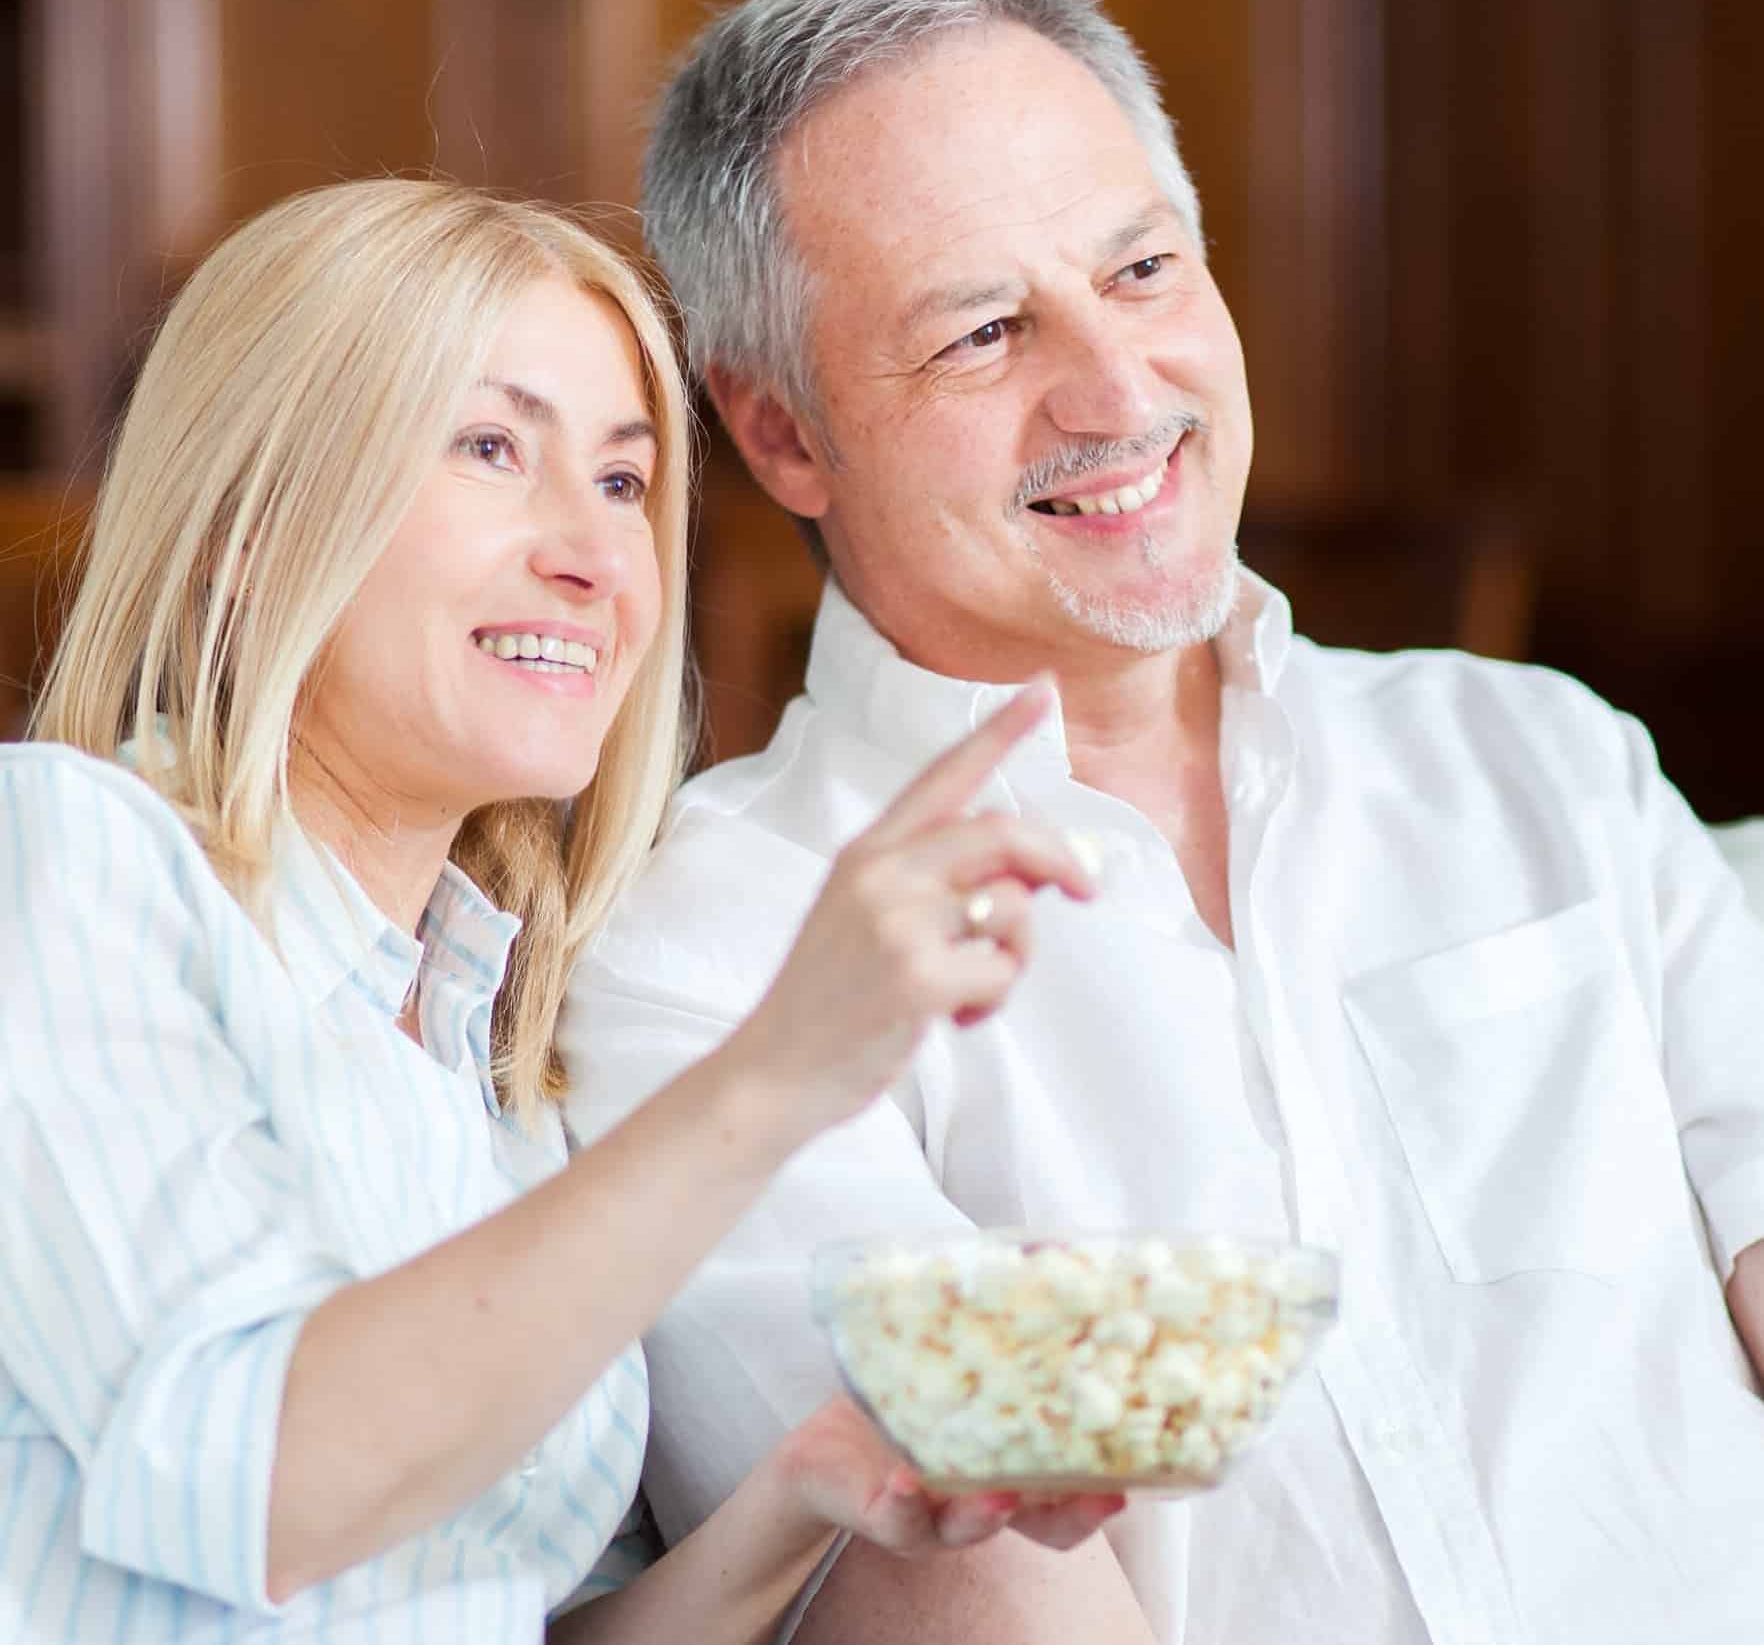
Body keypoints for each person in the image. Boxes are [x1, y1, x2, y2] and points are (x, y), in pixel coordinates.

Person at [559, 0, 1764, 1642]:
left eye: (1141, 270)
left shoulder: (1542, 760)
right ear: (782, 439)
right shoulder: (715, 958)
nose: (1119, 395)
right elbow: (951, 1567)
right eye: (983, 333)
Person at [0, 177, 1125, 1644]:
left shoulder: (503, 1082)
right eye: (488, 447)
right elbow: (258, 1481)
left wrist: (822, 1483)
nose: (595, 557)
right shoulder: (61, 855)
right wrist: (774, 1073)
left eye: (621, 481)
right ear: (245, 522)